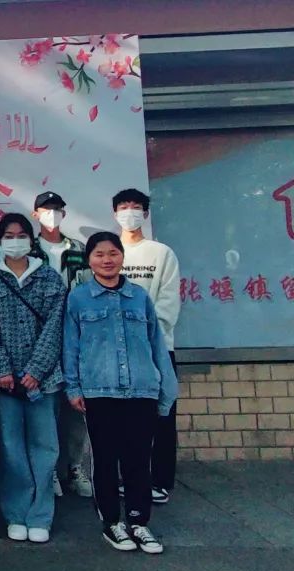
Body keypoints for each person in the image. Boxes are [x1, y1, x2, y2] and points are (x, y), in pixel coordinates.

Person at [63, 232, 177, 555]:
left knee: (138, 460)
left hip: (141, 390)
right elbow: (70, 346)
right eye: (99, 254)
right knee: (105, 459)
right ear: (89, 260)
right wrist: (73, 387)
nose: (107, 260)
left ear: (122, 257)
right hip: (100, 391)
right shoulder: (79, 299)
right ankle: (112, 522)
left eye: (113, 253)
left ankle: (139, 522)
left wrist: (166, 390)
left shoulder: (139, 297)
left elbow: (157, 345)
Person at [0, 213, 67, 544]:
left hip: (42, 382)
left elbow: (55, 327)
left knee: (45, 448)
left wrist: (36, 370)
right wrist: (2, 368)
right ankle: (15, 514)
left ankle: (41, 515)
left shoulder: (49, 277)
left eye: (21, 235)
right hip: (5, 384)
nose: (15, 241)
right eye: (8, 235)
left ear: (31, 241)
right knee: (10, 448)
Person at [113, 189, 181, 505]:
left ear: (146, 213)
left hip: (157, 348)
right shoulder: (108, 251)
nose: (130, 212)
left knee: (161, 415)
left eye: (136, 207)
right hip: (116, 350)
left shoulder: (161, 253)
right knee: (124, 419)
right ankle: (127, 478)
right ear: (115, 214)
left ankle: (160, 480)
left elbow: (168, 303)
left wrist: (146, 336)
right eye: (124, 207)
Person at [31, 191, 93, 499]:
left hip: (74, 335)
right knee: (45, 407)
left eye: (57, 209)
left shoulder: (78, 249)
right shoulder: (27, 250)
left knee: (75, 408)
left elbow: (88, 289)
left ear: (64, 214)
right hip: (38, 337)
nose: (52, 214)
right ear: (35, 214)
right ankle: (51, 471)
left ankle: (75, 467)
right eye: (46, 209)